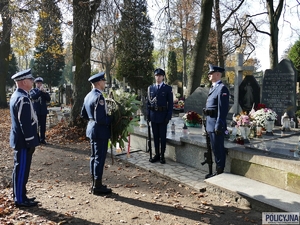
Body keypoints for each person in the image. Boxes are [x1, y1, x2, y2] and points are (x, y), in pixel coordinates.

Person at [10, 69, 40, 207]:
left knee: (20, 168)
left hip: (20, 140)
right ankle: (20, 199)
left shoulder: (19, 95)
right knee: (22, 169)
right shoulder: (22, 98)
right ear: (24, 82)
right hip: (23, 141)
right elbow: (25, 123)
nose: (33, 82)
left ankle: (20, 194)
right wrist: (30, 141)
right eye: (30, 80)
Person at [80, 72, 112, 195]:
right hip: (100, 131)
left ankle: (95, 182)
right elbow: (102, 119)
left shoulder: (88, 96)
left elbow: (83, 114)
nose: (104, 83)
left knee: (94, 157)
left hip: (92, 129)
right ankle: (97, 186)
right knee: (99, 158)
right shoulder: (99, 97)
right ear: (99, 82)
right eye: (103, 81)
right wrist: (112, 119)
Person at [203, 64, 229, 178]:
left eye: (211, 73)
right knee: (214, 148)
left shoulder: (222, 88)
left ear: (218, 74)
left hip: (215, 124)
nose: (209, 74)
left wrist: (219, 124)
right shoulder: (213, 87)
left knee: (218, 148)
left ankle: (219, 172)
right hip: (210, 123)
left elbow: (222, 109)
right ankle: (217, 170)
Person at [147, 68, 173, 164]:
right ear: (154, 77)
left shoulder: (167, 88)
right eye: (156, 76)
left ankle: (162, 155)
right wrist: (148, 115)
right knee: (155, 136)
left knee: (162, 136)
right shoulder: (151, 88)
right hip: (153, 116)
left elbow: (170, 104)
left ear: (163, 77)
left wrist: (168, 116)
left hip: (163, 116)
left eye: (160, 76)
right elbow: (148, 103)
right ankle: (157, 154)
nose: (158, 77)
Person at [30, 77, 51, 144]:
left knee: (43, 126)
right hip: (36, 111)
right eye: (38, 83)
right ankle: (37, 139)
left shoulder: (44, 91)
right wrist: (40, 91)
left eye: (40, 83)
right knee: (36, 126)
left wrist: (44, 92)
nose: (39, 84)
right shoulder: (33, 91)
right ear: (36, 84)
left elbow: (48, 99)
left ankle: (42, 139)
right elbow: (33, 97)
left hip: (43, 111)